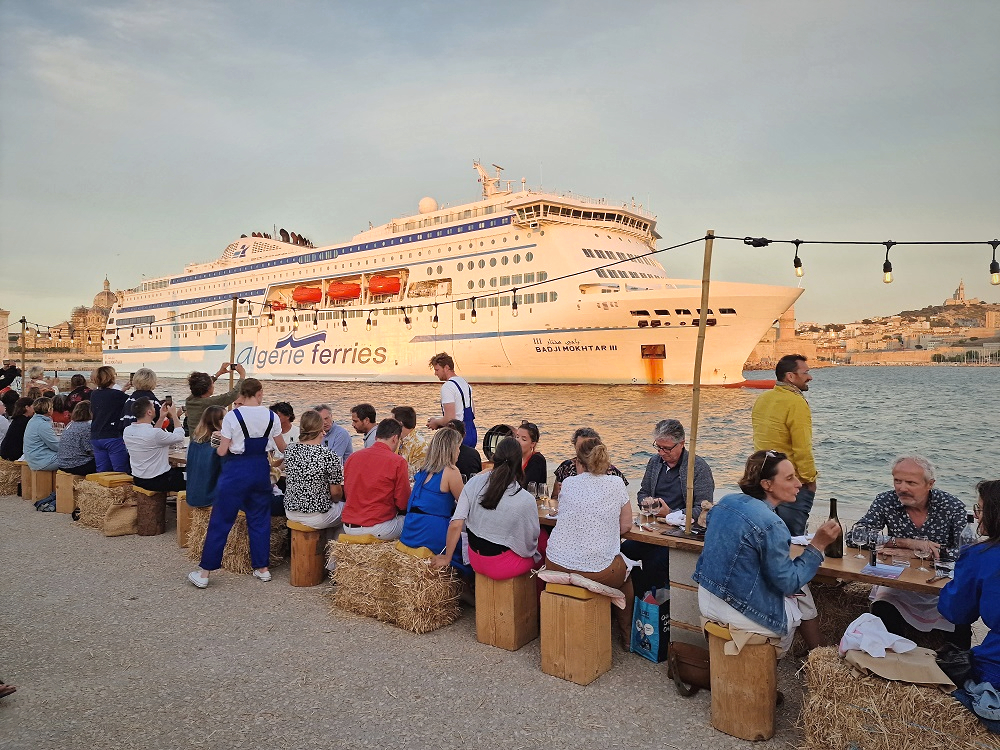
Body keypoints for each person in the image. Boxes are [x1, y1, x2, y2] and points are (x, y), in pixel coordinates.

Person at [693, 450, 841, 656]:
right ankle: (779, 659)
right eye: (790, 478)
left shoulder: (726, 501)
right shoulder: (772, 523)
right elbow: (788, 582)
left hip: (709, 597)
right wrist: (818, 545)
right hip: (739, 610)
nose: (799, 484)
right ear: (767, 484)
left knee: (802, 590)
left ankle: (818, 652)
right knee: (795, 604)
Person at [856, 455, 970, 647]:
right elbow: (856, 535)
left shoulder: (952, 506)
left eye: (910, 482)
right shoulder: (886, 500)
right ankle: (899, 658)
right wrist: (906, 543)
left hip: (939, 584)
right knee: (883, 607)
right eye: (897, 481)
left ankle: (957, 668)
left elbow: (966, 552)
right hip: (899, 581)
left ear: (929, 484)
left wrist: (915, 554)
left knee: (960, 616)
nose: (902, 488)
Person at [188, 379, 284, 588]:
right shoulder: (272, 416)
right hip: (260, 470)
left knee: (221, 520)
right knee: (260, 520)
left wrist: (219, 441)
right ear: (259, 393)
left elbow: (222, 451)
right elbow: (282, 447)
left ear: (242, 393)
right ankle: (262, 569)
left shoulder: (233, 415)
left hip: (236, 471)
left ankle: (204, 573)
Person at [544, 437, 635, 645]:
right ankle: (626, 635)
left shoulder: (568, 483)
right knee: (626, 577)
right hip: (596, 570)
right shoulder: (616, 483)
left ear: (578, 462)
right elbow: (626, 526)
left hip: (555, 562)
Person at [625, 419, 715, 595]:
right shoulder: (654, 462)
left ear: (681, 444)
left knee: (654, 561)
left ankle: (653, 605)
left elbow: (704, 509)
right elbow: (642, 491)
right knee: (623, 552)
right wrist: (646, 502)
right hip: (653, 528)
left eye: (666, 448)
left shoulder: (698, 467)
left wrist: (671, 514)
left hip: (680, 533)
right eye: (658, 447)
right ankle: (638, 597)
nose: (661, 452)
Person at [434, 436, 543, 581]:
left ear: (494, 458)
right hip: (501, 565)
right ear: (519, 463)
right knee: (542, 549)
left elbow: (456, 524)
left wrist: (447, 557)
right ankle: (534, 603)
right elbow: (529, 543)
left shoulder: (474, 482)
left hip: (475, 559)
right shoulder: (525, 498)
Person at [939, 480, 1000, 685]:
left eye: (980, 509)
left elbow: (956, 612)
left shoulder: (981, 556)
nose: (976, 515)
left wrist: (953, 585)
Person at [751, 354, 817, 536]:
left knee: (767, 535)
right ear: (790, 376)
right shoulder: (796, 402)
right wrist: (809, 479)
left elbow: (760, 439)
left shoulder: (762, 399)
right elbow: (802, 446)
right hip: (790, 479)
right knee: (793, 538)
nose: (809, 377)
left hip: (765, 478)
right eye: (805, 373)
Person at [399, 428, 465, 568]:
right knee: (468, 550)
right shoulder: (451, 471)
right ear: (451, 449)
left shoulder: (424, 469)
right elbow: (466, 504)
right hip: (431, 531)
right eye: (458, 448)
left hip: (411, 530)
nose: (459, 452)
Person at [341, 418, 409, 540]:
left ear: (377, 436)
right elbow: (403, 502)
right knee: (411, 521)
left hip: (349, 527)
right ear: (395, 438)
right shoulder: (397, 461)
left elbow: (348, 491)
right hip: (377, 527)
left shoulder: (353, 457)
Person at [282, 410, 344, 530]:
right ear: (321, 430)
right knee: (347, 510)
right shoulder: (328, 455)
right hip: (316, 515)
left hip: (290, 512)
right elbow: (336, 493)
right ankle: (330, 547)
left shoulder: (289, 450)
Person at [123, 398, 186, 492]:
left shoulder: (127, 430)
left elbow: (154, 434)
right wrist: (174, 415)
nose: (155, 409)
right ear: (149, 412)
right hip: (159, 480)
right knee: (193, 475)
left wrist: (161, 418)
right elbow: (179, 436)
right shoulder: (154, 434)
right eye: (153, 407)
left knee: (182, 471)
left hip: (139, 478)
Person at [551, 427, 628, 500]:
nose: (585, 451)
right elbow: (554, 497)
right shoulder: (566, 467)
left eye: (589, 447)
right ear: (575, 446)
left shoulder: (612, 472)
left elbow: (621, 501)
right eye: (581, 447)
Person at [426, 352, 476, 448]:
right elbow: (473, 412)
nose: (435, 373)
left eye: (437, 370)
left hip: (458, 435)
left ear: (446, 368)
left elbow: (450, 418)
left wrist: (435, 422)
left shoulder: (448, 387)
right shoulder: (465, 383)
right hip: (472, 433)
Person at [89, 366, 131, 473]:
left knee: (102, 470)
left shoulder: (94, 394)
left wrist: (123, 390)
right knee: (120, 471)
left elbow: (108, 401)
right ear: (112, 377)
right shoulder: (118, 395)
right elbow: (134, 404)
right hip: (112, 436)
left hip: (96, 435)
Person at [183, 362, 245, 433]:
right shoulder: (209, 403)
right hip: (205, 442)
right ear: (209, 388)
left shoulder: (189, 400)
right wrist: (242, 376)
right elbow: (232, 395)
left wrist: (218, 373)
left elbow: (199, 385)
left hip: (193, 441)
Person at [184, 406, 225, 508]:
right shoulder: (218, 446)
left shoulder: (194, 443)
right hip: (210, 497)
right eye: (226, 418)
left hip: (193, 494)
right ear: (218, 422)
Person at [57, 401, 96, 476]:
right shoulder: (87, 427)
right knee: (104, 461)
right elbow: (91, 450)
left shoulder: (70, 424)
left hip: (63, 463)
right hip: (77, 465)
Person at [24, 397, 60, 472]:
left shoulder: (33, 420)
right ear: (49, 409)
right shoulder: (42, 424)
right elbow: (55, 446)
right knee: (72, 460)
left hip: (34, 459)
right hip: (43, 461)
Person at [391, 406, 429, 470]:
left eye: (392, 422)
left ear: (400, 424)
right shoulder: (398, 440)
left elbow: (417, 473)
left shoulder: (421, 445)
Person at [514, 420, 547, 487]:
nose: (518, 441)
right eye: (517, 437)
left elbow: (527, 486)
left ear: (532, 444)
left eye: (523, 439)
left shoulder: (537, 460)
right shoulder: (516, 459)